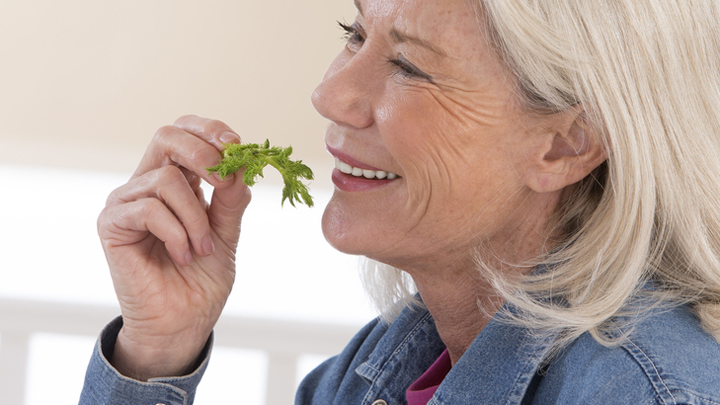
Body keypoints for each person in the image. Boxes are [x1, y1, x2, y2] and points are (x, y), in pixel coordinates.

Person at [80, 0, 720, 403]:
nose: (331, 93)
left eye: (410, 67)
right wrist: (157, 353)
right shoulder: (376, 370)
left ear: (564, 146)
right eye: (354, 32)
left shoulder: (649, 391)